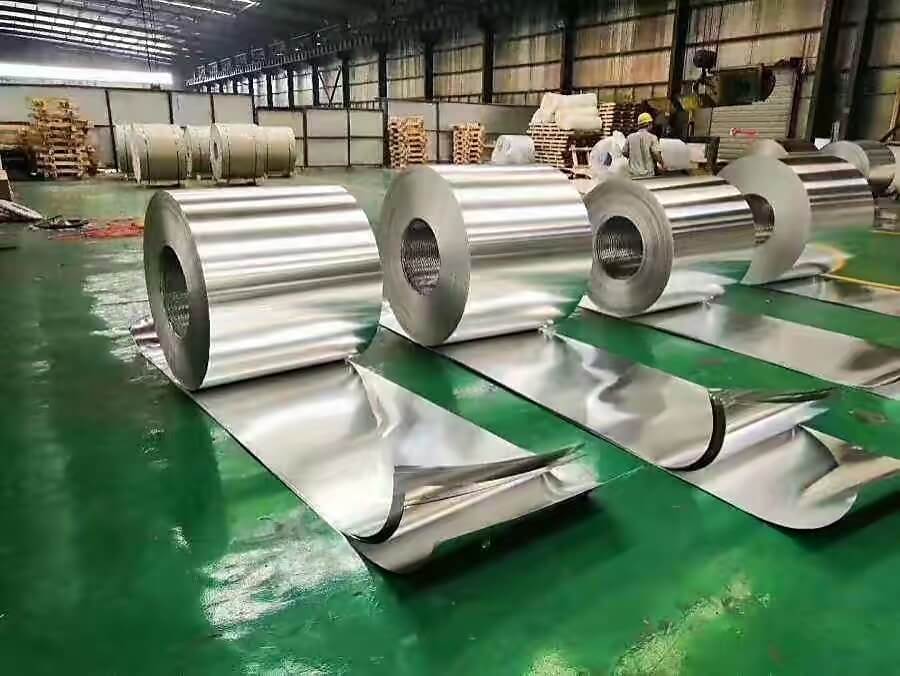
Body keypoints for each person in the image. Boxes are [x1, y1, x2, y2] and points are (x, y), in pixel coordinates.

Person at [622, 112, 665, 178]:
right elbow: (656, 153)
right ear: (649, 124)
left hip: (633, 174)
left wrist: (633, 157)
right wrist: (662, 164)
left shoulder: (630, 137)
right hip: (648, 174)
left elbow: (624, 152)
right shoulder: (652, 137)